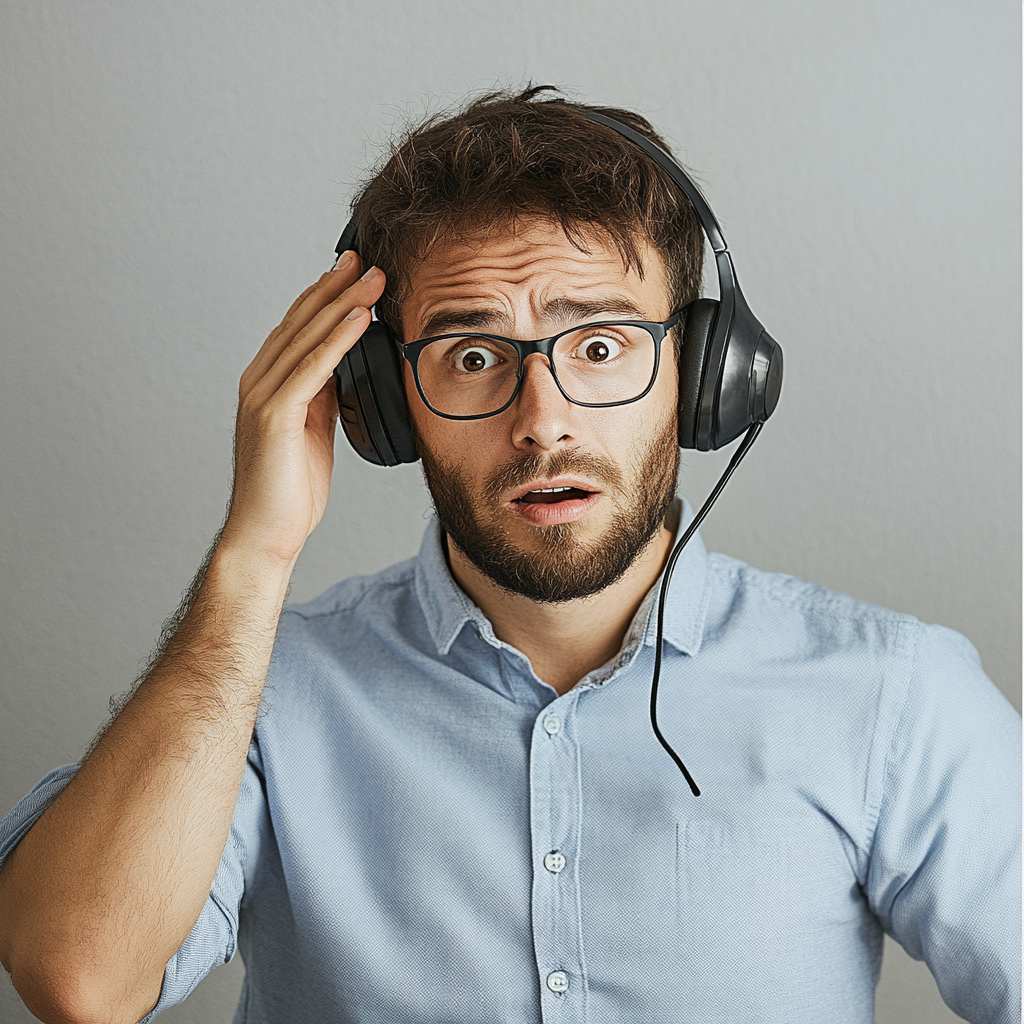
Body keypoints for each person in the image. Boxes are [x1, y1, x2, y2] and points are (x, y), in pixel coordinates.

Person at [0, 87, 1018, 1024]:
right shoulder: (261, 698)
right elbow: (79, 979)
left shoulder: (891, 694)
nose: (543, 421)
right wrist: (254, 554)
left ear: (705, 374)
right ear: (386, 403)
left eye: (602, 345)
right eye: (473, 355)